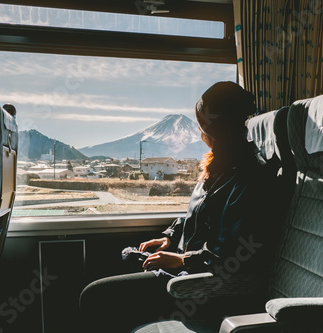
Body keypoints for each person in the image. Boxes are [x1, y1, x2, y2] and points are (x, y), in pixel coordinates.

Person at [79, 81, 279, 332]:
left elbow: (232, 253)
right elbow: (200, 216)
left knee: (95, 297)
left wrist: (181, 260)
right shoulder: (219, 168)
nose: (198, 131)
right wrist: (170, 236)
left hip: (201, 288)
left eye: (200, 125)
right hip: (186, 272)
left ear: (212, 128)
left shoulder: (249, 179)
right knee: (110, 264)